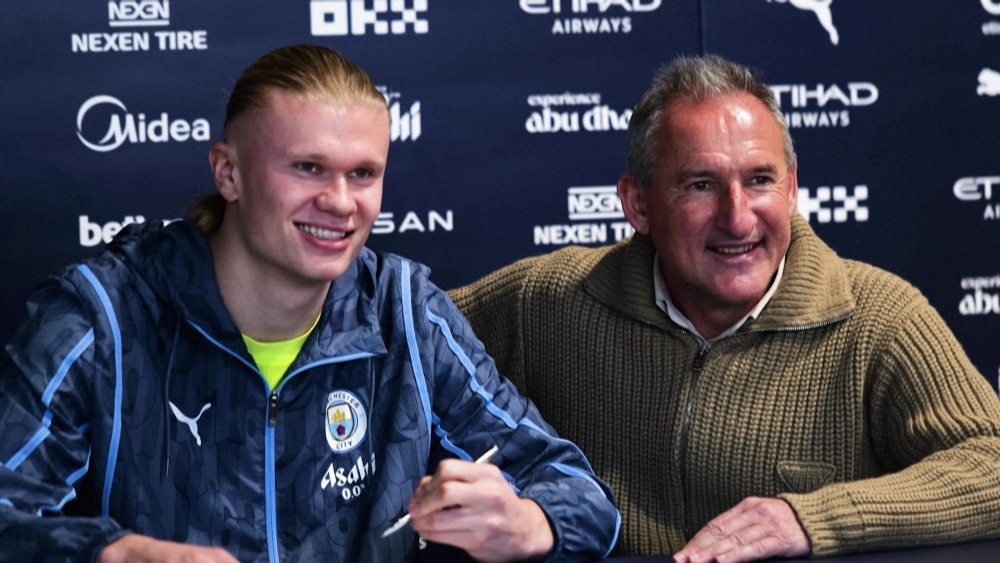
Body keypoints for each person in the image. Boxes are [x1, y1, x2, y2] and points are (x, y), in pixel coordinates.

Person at [0, 44, 619, 562]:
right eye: (307, 167)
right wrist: (114, 552)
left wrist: (530, 523)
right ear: (228, 173)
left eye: (363, 174)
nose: (341, 202)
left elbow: (582, 495)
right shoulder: (100, 316)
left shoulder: (404, 312)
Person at [450, 54, 1000, 561]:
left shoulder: (880, 318)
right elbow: (406, 330)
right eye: (700, 185)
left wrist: (809, 518)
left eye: (759, 180)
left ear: (791, 189)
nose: (737, 218)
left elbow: (992, 461)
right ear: (638, 204)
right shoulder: (546, 299)